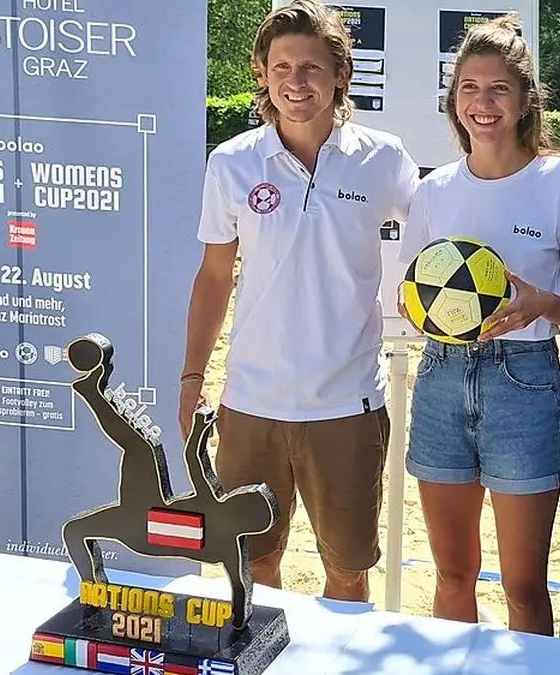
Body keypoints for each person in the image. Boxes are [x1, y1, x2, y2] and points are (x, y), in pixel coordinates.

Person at [179, 0, 419, 603]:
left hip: (347, 404)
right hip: (250, 404)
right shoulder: (232, 162)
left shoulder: (384, 158)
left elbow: (437, 244)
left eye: (311, 67)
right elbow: (214, 277)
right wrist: (191, 379)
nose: (296, 81)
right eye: (282, 66)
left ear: (341, 73)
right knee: (254, 568)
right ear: (262, 73)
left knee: (347, 574)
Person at [395, 14, 560, 636]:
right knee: (452, 576)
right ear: (453, 98)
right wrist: (419, 306)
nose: (482, 104)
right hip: (441, 380)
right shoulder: (434, 190)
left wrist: (542, 303)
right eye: (469, 88)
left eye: (498, 89)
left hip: (524, 383)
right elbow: (411, 292)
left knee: (523, 587)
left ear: (525, 99)